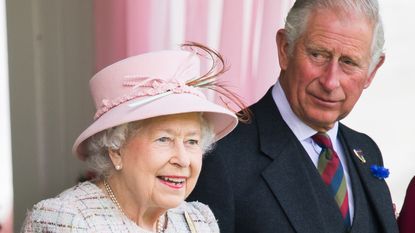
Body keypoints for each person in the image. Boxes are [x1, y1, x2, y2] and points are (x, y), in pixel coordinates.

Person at [188, 0, 399, 232]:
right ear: (284, 49)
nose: (330, 82)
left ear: (372, 71)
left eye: (349, 62)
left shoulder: (367, 150)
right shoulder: (218, 154)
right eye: (318, 55)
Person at [21, 43, 243, 232]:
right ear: (116, 149)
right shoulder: (66, 221)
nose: (183, 160)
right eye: (164, 139)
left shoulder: (197, 221)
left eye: (192, 141)